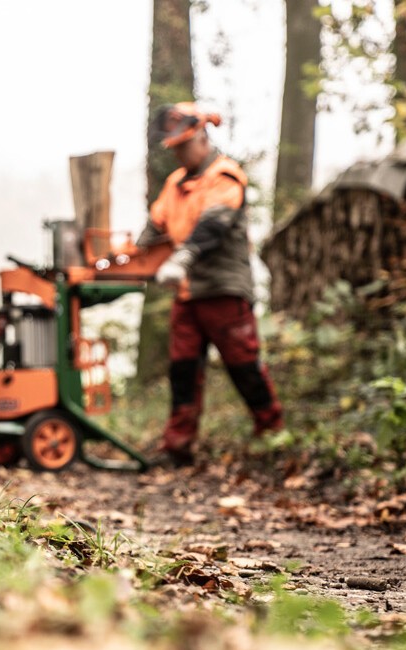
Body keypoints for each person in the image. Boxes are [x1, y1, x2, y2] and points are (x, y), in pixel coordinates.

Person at [137, 102, 283, 466]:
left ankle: (273, 433)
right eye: (175, 148)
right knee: (183, 370)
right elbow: (154, 228)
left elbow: (213, 225)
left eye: (184, 146)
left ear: (202, 137)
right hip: (186, 293)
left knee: (242, 363)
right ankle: (177, 447)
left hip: (223, 290)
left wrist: (181, 259)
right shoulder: (174, 184)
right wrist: (130, 255)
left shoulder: (225, 176)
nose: (179, 154)